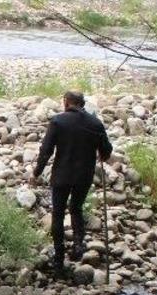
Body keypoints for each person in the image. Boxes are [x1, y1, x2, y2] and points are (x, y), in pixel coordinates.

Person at [30, 90, 114, 275]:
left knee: (58, 213)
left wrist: (36, 172)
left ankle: (59, 256)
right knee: (76, 207)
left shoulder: (58, 121)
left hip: (62, 175)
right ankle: (78, 244)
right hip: (84, 175)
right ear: (82, 104)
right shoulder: (95, 123)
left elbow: (46, 151)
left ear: (67, 102)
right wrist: (101, 152)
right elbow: (107, 151)